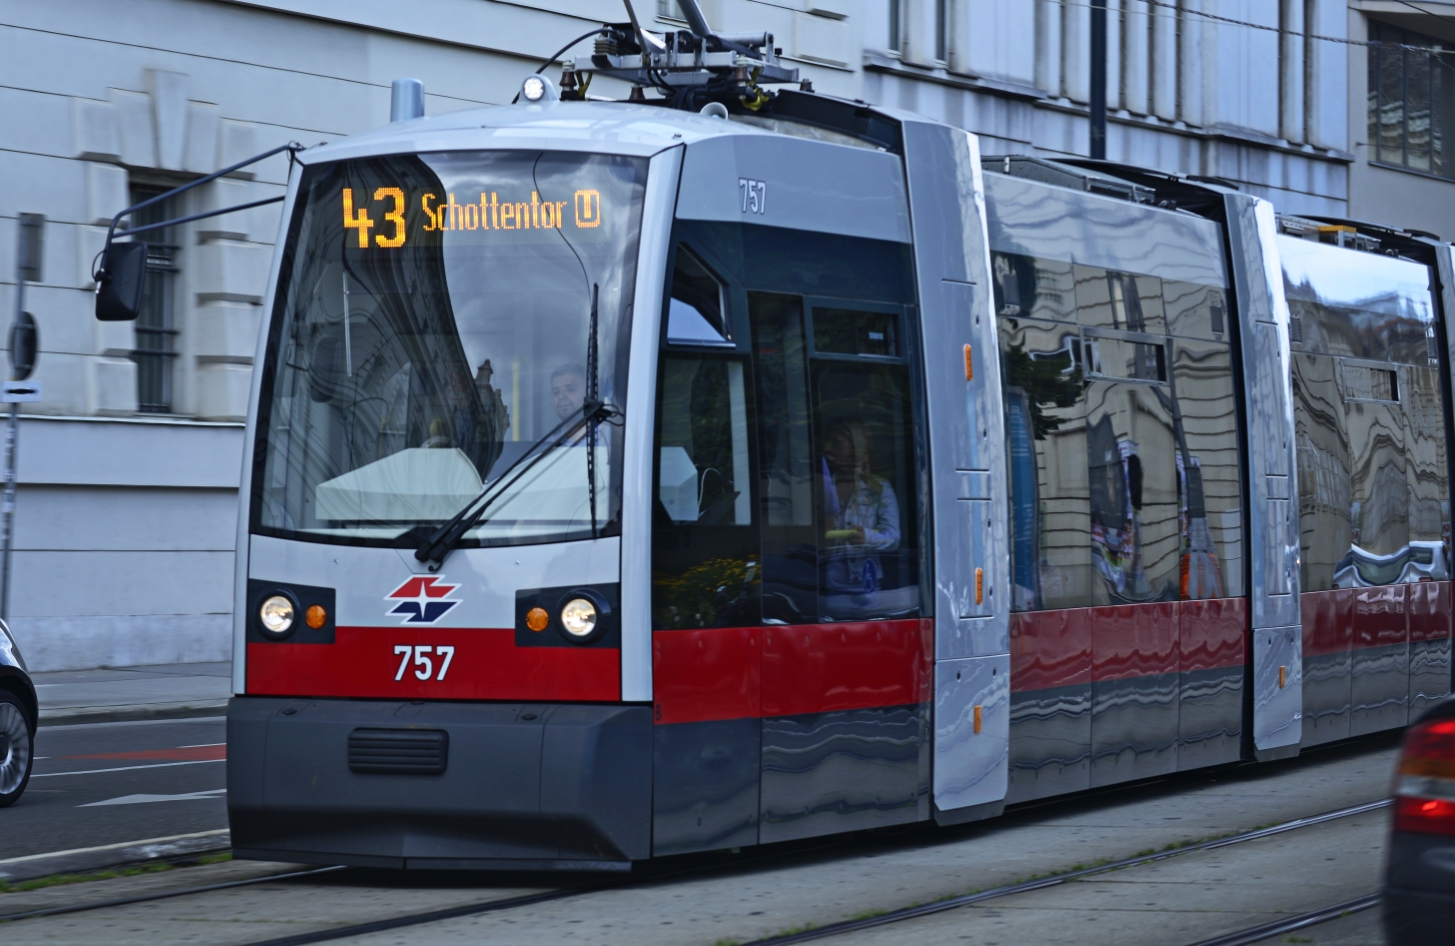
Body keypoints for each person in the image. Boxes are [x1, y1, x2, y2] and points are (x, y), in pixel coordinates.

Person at [820, 419, 901, 610]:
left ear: (855, 449)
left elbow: (894, 537)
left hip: (867, 587)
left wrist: (868, 537)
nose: (827, 448)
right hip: (830, 585)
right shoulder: (822, 487)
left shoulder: (879, 489)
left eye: (836, 443)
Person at [551, 362, 608, 446]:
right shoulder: (544, 448)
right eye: (556, 392)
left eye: (570, 389)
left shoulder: (613, 439)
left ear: (589, 394)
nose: (561, 396)